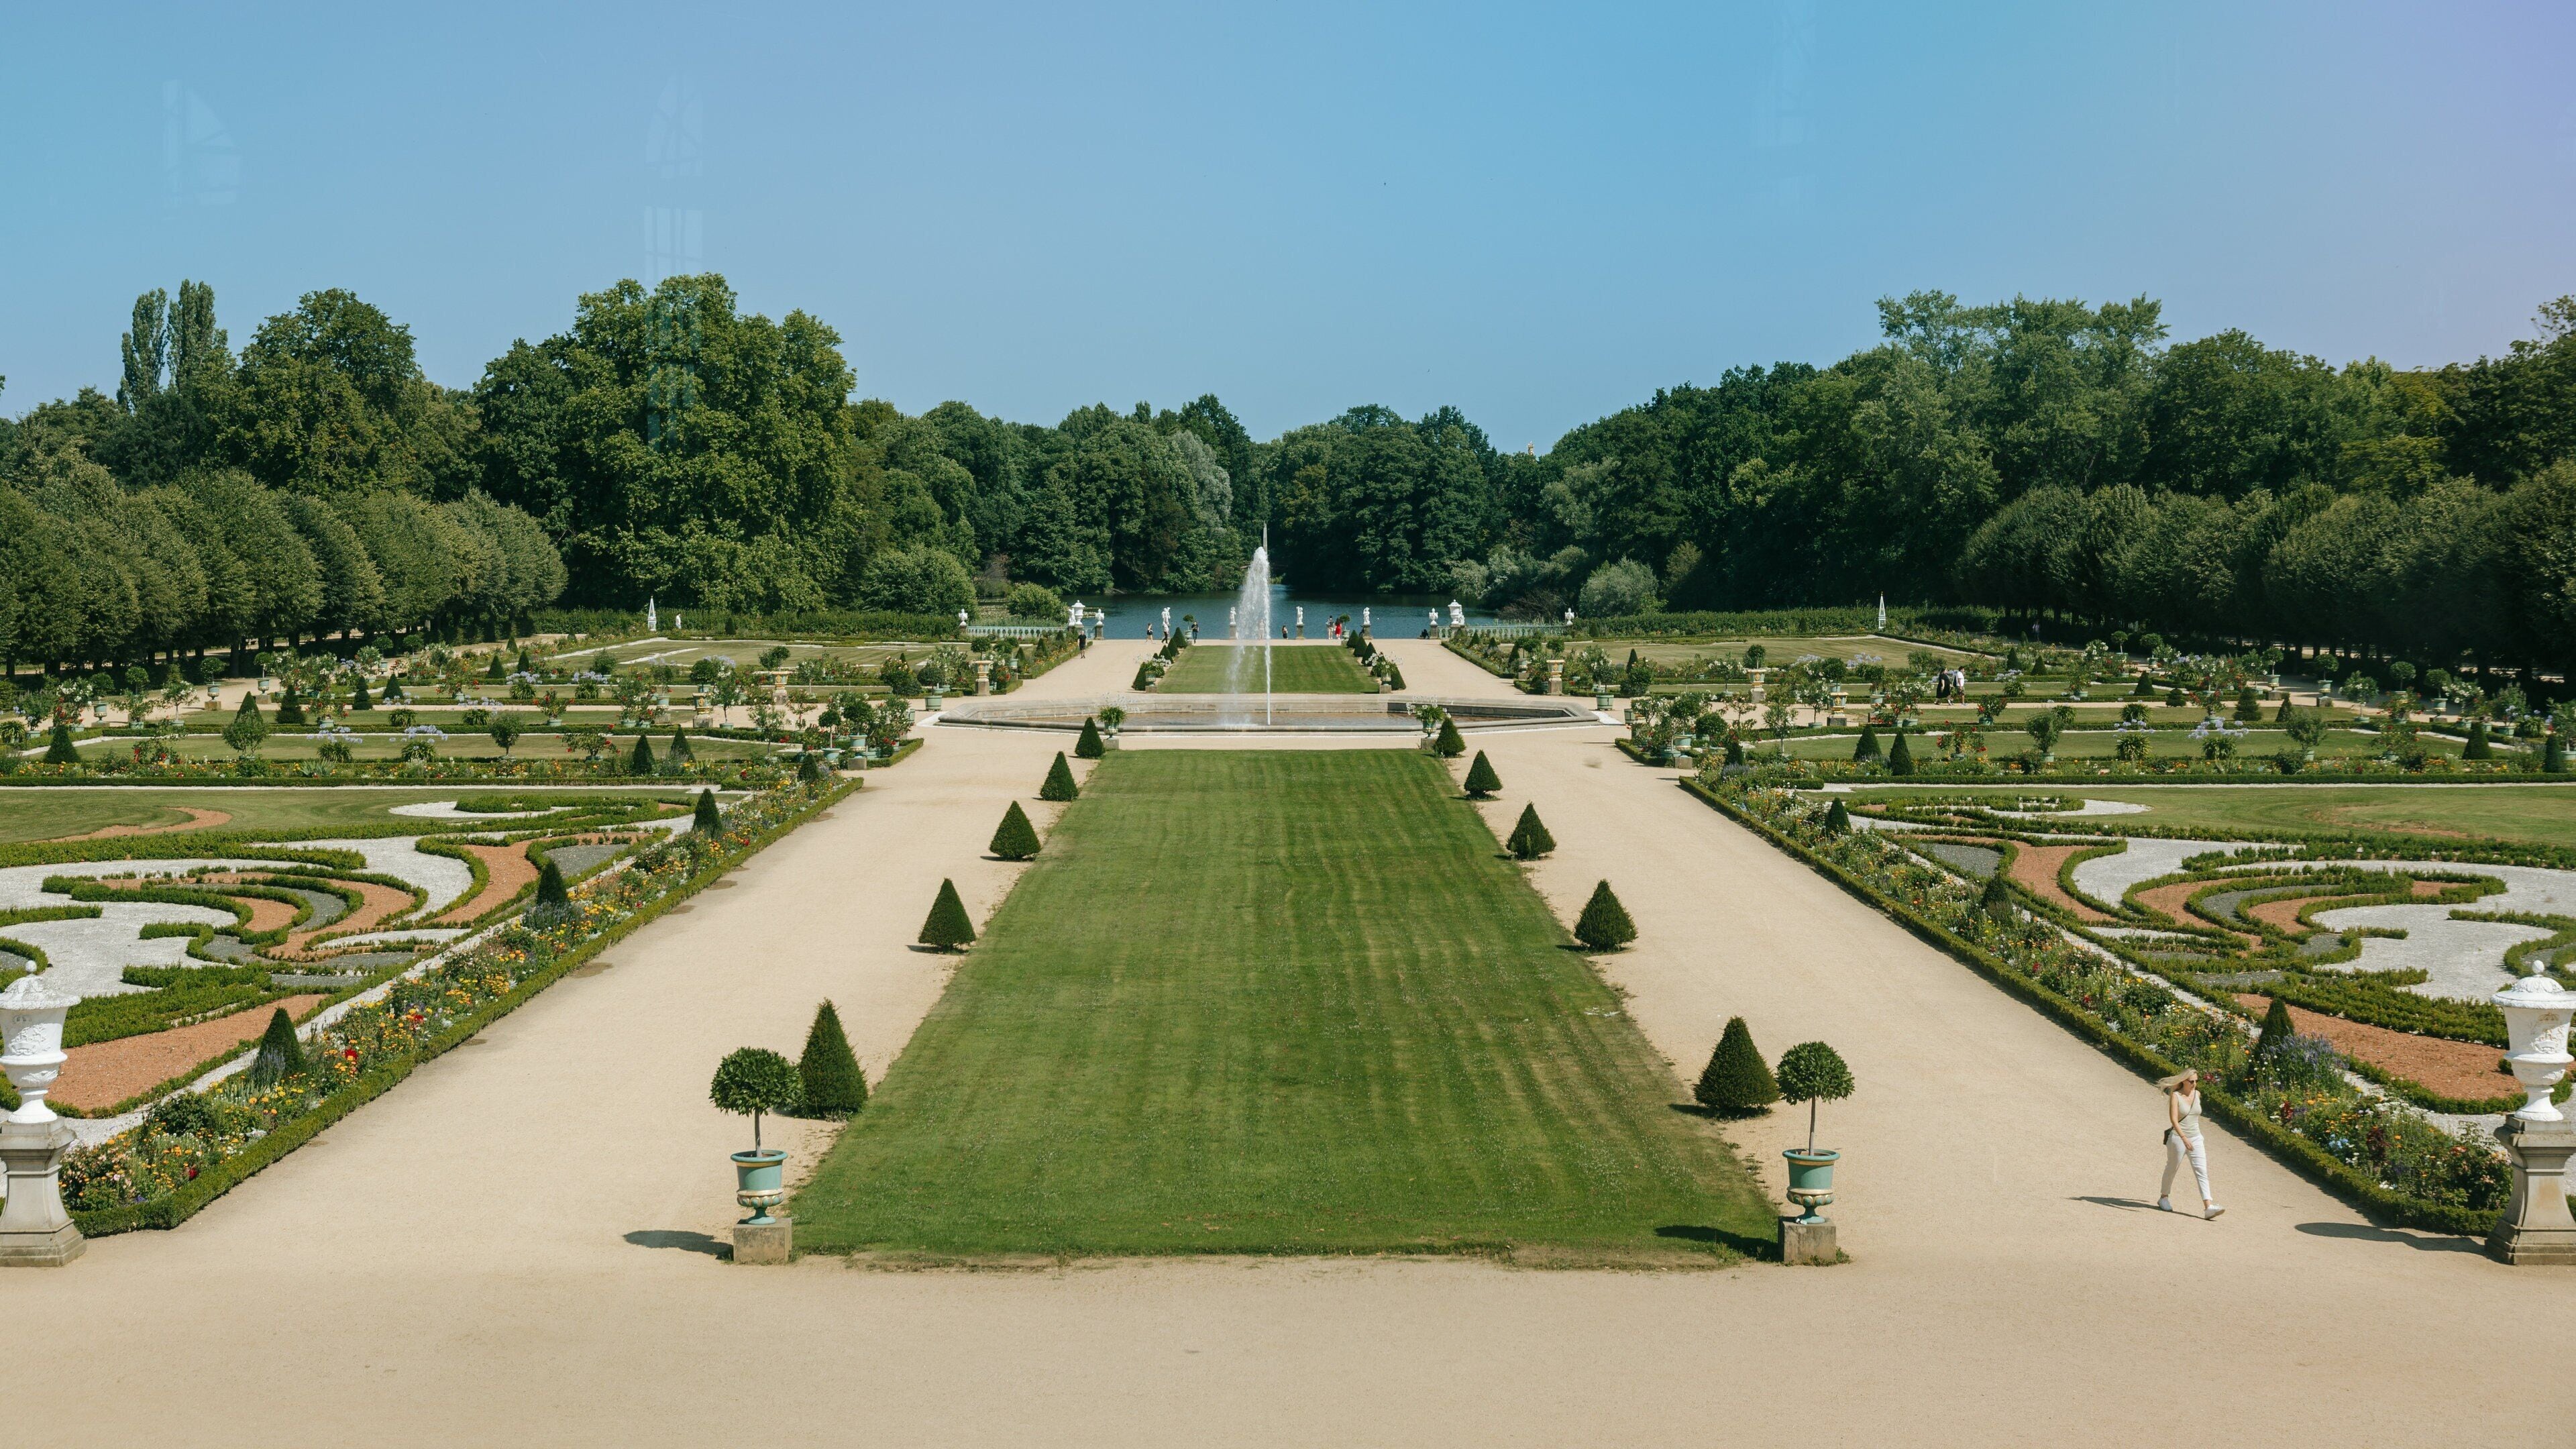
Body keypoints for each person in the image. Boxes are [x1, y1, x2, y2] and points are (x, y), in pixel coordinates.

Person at [2157, 1070, 2223, 1219]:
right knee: (2172, 1168)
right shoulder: (2176, 1096)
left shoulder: (2197, 1094)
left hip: (2196, 1137)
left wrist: (2192, 1138)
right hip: (2178, 1138)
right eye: (2191, 1081)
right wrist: (2184, 1138)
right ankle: (2164, 1197)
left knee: (2202, 1170)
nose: (2194, 1084)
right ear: (2183, 1082)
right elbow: (2174, 1120)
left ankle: (2208, 1207)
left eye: (2196, 1081)